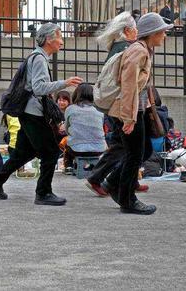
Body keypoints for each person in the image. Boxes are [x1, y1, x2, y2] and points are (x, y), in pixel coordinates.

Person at [0, 23, 83, 206]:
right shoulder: (38, 59)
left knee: (24, 152)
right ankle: (43, 193)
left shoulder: (37, 57)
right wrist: (65, 82)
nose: (62, 41)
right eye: (59, 37)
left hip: (29, 112)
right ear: (48, 40)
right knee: (51, 152)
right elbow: (38, 88)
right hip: (33, 113)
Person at [104, 13, 173, 215]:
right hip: (130, 112)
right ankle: (127, 200)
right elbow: (128, 86)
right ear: (152, 33)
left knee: (142, 150)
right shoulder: (139, 52)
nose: (165, 36)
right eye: (162, 32)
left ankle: (113, 182)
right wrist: (129, 118)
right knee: (135, 154)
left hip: (137, 110)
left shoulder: (143, 50)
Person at [86, 12, 144, 196]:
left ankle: (126, 180)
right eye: (135, 29)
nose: (137, 32)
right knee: (128, 146)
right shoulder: (127, 48)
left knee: (127, 145)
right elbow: (127, 81)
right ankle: (102, 179)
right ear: (127, 30)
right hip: (121, 105)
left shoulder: (116, 46)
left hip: (115, 104)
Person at [62, 83, 107, 172]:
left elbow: (67, 130)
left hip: (76, 149)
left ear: (76, 94)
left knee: (67, 142)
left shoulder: (70, 109)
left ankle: (69, 166)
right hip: (99, 148)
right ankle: (92, 167)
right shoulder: (99, 110)